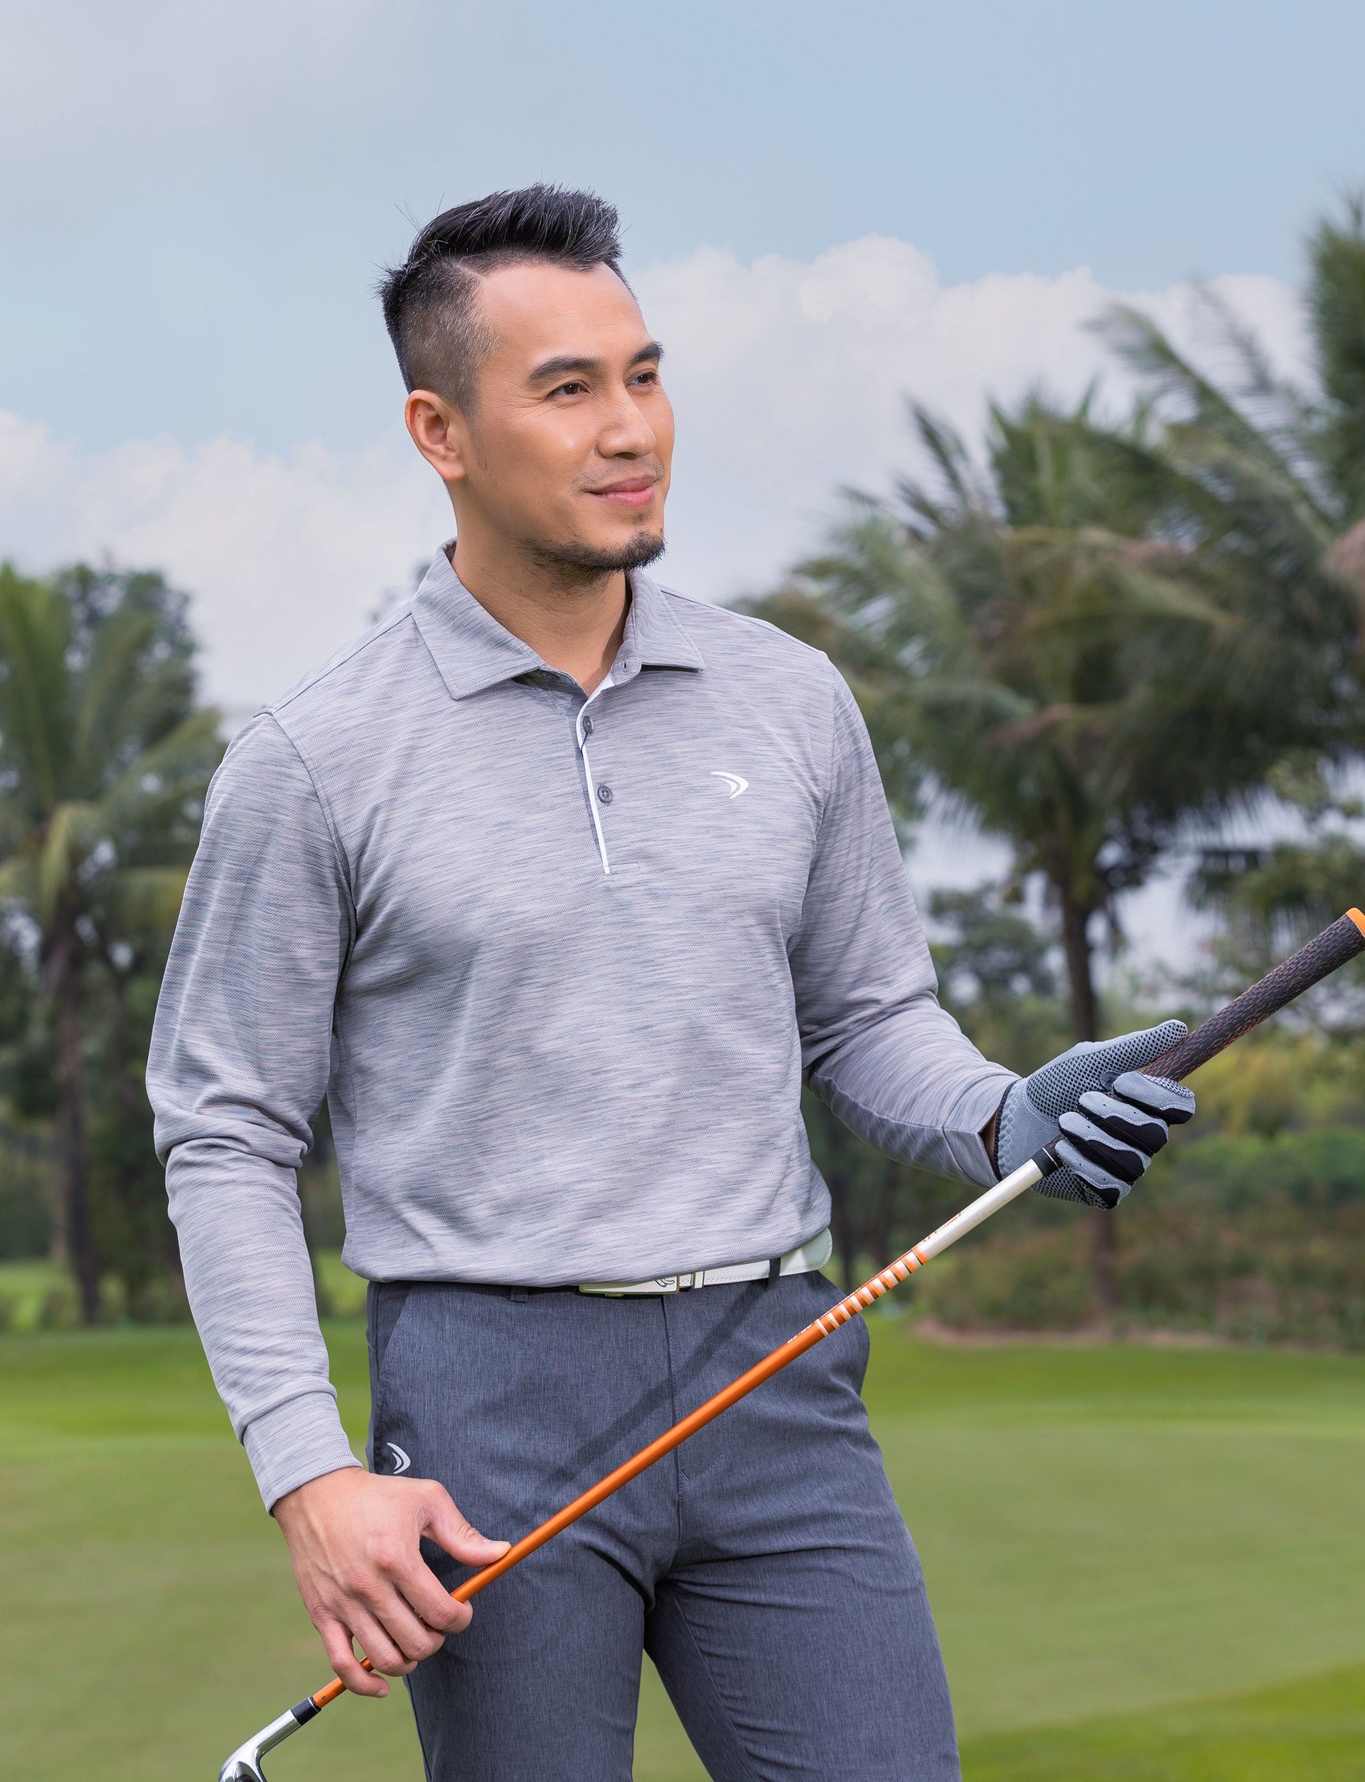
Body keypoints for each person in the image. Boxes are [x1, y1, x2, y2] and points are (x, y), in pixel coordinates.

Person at [148, 185, 1194, 1782]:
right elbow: (226, 1132)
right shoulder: (314, 759)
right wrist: (308, 1473)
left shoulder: (789, 698)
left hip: (776, 1371)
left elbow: (864, 1018)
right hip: (488, 1407)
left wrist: (1004, 1115)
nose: (629, 427)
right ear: (439, 431)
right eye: (567, 389)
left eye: (643, 375)